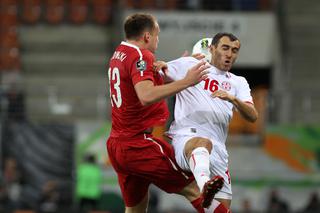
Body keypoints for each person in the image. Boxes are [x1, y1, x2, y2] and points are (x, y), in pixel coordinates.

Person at [105, 13, 226, 213]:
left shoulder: (120, 53)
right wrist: (187, 81)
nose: (158, 39)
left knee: (136, 208)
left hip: (118, 144)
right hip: (138, 145)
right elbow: (146, 94)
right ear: (146, 37)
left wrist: (179, 65)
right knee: (195, 189)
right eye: (157, 35)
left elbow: (146, 80)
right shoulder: (141, 56)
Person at [161, 33, 258, 211]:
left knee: (222, 210)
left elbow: (252, 116)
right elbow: (157, 72)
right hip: (187, 138)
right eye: (225, 48)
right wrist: (161, 65)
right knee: (202, 143)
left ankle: (207, 186)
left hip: (218, 150)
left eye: (234, 50)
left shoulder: (238, 82)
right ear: (212, 49)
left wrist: (233, 99)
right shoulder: (190, 65)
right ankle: (205, 184)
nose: (230, 54)